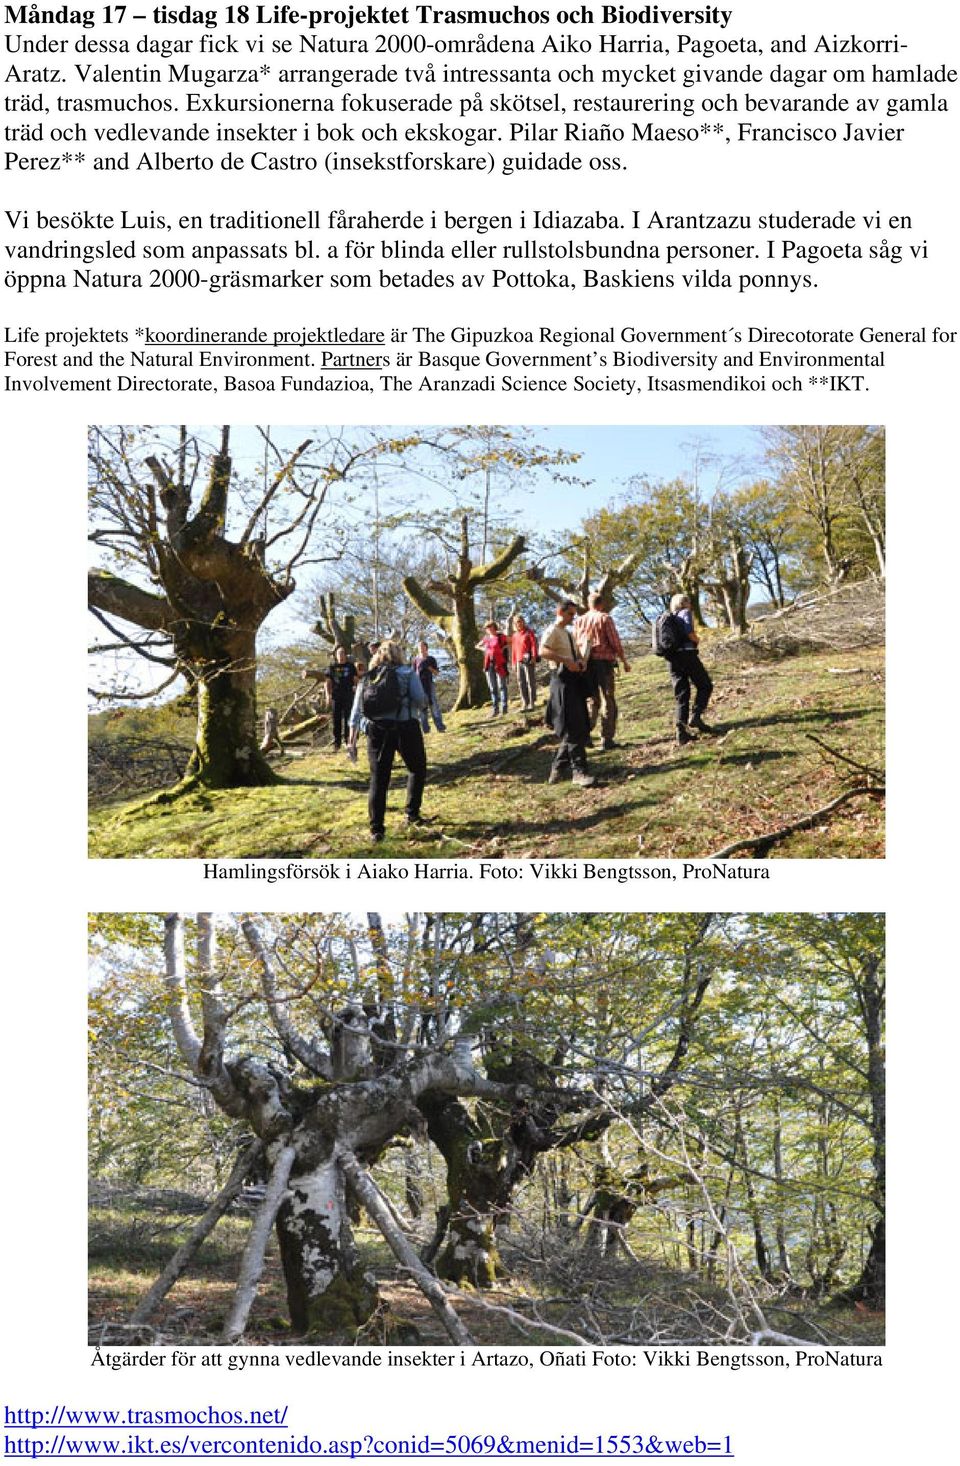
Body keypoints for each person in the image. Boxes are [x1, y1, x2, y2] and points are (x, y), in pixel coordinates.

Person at [348, 641, 428, 842]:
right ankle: (412, 814)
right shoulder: (407, 672)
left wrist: (352, 740)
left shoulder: (367, 677)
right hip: (405, 726)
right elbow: (419, 699)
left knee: (379, 779)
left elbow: (356, 710)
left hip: (377, 731)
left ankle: (376, 830)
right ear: (398, 654)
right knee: (416, 768)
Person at [539, 601, 597, 788]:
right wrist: (564, 660)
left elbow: (574, 656)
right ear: (560, 612)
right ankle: (579, 771)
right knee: (573, 727)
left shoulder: (568, 633)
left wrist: (580, 661)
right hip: (561, 681)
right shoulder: (553, 630)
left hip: (574, 681)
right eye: (571, 614)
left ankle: (557, 769)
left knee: (579, 724)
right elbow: (542, 651)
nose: (573, 618)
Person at [575, 592, 631, 750]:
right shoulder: (605, 618)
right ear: (602, 604)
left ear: (588, 604)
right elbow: (615, 642)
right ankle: (607, 738)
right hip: (603, 663)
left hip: (585, 664)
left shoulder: (579, 621)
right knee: (608, 699)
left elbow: (575, 642)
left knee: (592, 700)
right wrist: (624, 661)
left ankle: (585, 735)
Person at [664, 594, 715, 745]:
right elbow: (689, 632)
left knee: (682, 694)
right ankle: (696, 716)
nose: (691, 604)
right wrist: (697, 640)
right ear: (684, 603)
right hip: (687, 654)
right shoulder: (685, 613)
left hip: (672, 658)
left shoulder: (670, 618)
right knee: (705, 685)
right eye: (689, 601)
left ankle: (681, 733)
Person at [324, 644, 358, 752]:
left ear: (345, 655)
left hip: (348, 696)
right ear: (336, 655)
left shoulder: (351, 666)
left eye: (343, 653)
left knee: (349, 719)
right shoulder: (332, 667)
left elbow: (356, 679)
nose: (341, 656)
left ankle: (348, 741)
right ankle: (336, 743)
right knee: (336, 720)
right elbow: (327, 682)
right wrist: (328, 695)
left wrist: (356, 689)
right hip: (336, 696)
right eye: (339, 654)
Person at [477, 621, 510, 717]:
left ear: (494, 627)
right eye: (487, 628)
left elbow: (511, 641)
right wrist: (485, 649)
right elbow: (477, 646)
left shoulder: (500, 637)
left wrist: (503, 648)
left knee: (502, 686)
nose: (488, 629)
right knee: (492, 687)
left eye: (490, 627)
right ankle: (495, 709)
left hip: (499, 663)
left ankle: (504, 708)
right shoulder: (486, 638)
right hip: (489, 664)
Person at [412, 638, 445, 732]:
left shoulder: (431, 659)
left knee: (434, 705)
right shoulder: (415, 660)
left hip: (429, 684)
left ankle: (440, 726)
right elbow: (413, 673)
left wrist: (429, 668)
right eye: (419, 647)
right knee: (422, 707)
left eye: (422, 646)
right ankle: (425, 729)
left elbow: (437, 673)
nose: (421, 648)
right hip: (419, 685)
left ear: (426, 648)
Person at [510, 614, 540, 711]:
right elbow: (514, 650)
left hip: (528, 660)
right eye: (516, 622)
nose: (519, 623)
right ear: (514, 624)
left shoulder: (529, 632)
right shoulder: (514, 635)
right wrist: (513, 662)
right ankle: (524, 703)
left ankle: (532, 703)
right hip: (519, 661)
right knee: (521, 682)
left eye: (520, 621)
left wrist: (534, 657)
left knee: (530, 681)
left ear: (523, 621)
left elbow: (533, 645)